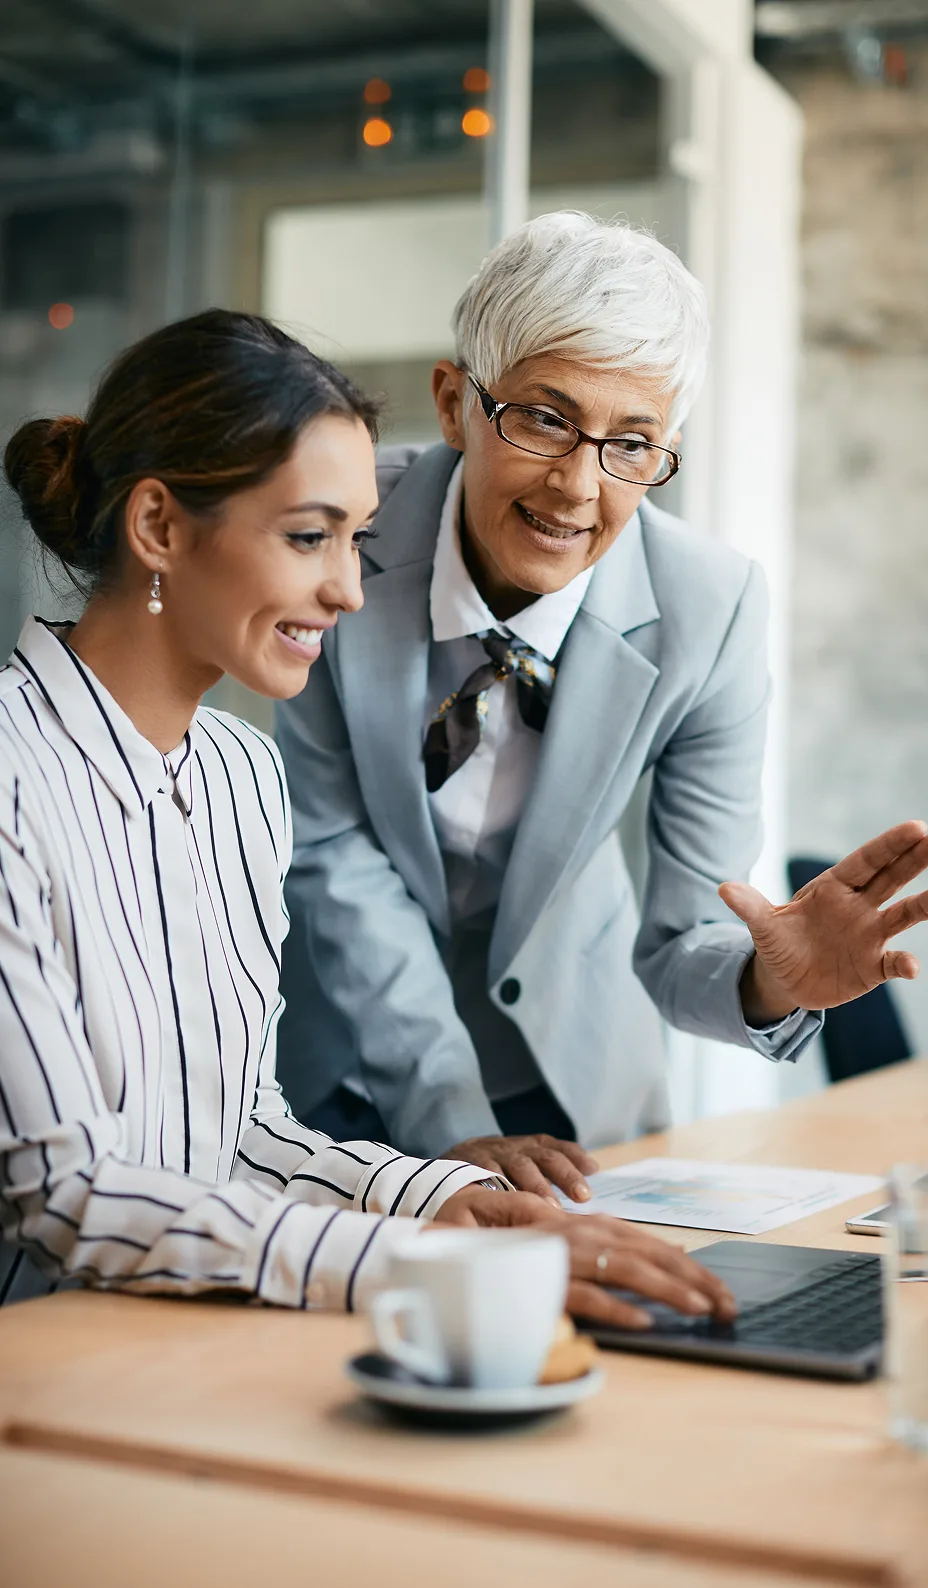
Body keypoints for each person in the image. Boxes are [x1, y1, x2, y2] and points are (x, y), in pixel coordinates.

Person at [0, 308, 736, 1334]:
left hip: (199, 1335)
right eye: (310, 536)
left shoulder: (240, 777)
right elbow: (66, 1198)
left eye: (356, 538)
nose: (349, 589)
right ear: (160, 526)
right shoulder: (13, 785)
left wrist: (451, 1203)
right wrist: (418, 1254)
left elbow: (247, 1133)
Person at [276, 212, 928, 1199]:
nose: (579, 486)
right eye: (545, 417)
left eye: (632, 442)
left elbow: (687, 943)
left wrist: (776, 980)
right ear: (455, 403)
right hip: (331, 1071)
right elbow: (334, 855)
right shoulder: (348, 531)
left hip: (568, 1089)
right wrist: (451, 1126)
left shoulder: (707, 610)